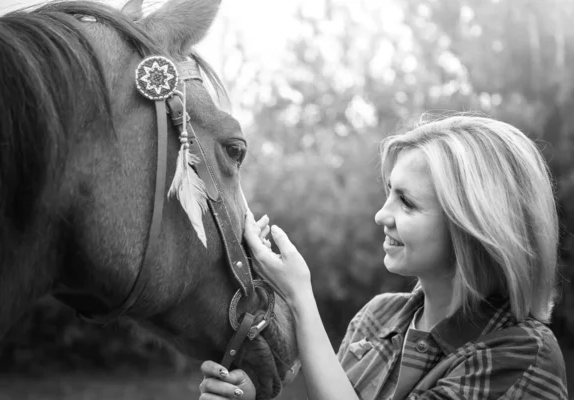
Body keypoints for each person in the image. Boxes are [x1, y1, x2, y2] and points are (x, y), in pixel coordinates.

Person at [198, 115, 569, 400]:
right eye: (390, 192)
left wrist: (300, 296)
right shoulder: (377, 318)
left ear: (472, 224)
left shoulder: (524, 354)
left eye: (406, 201)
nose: (381, 214)